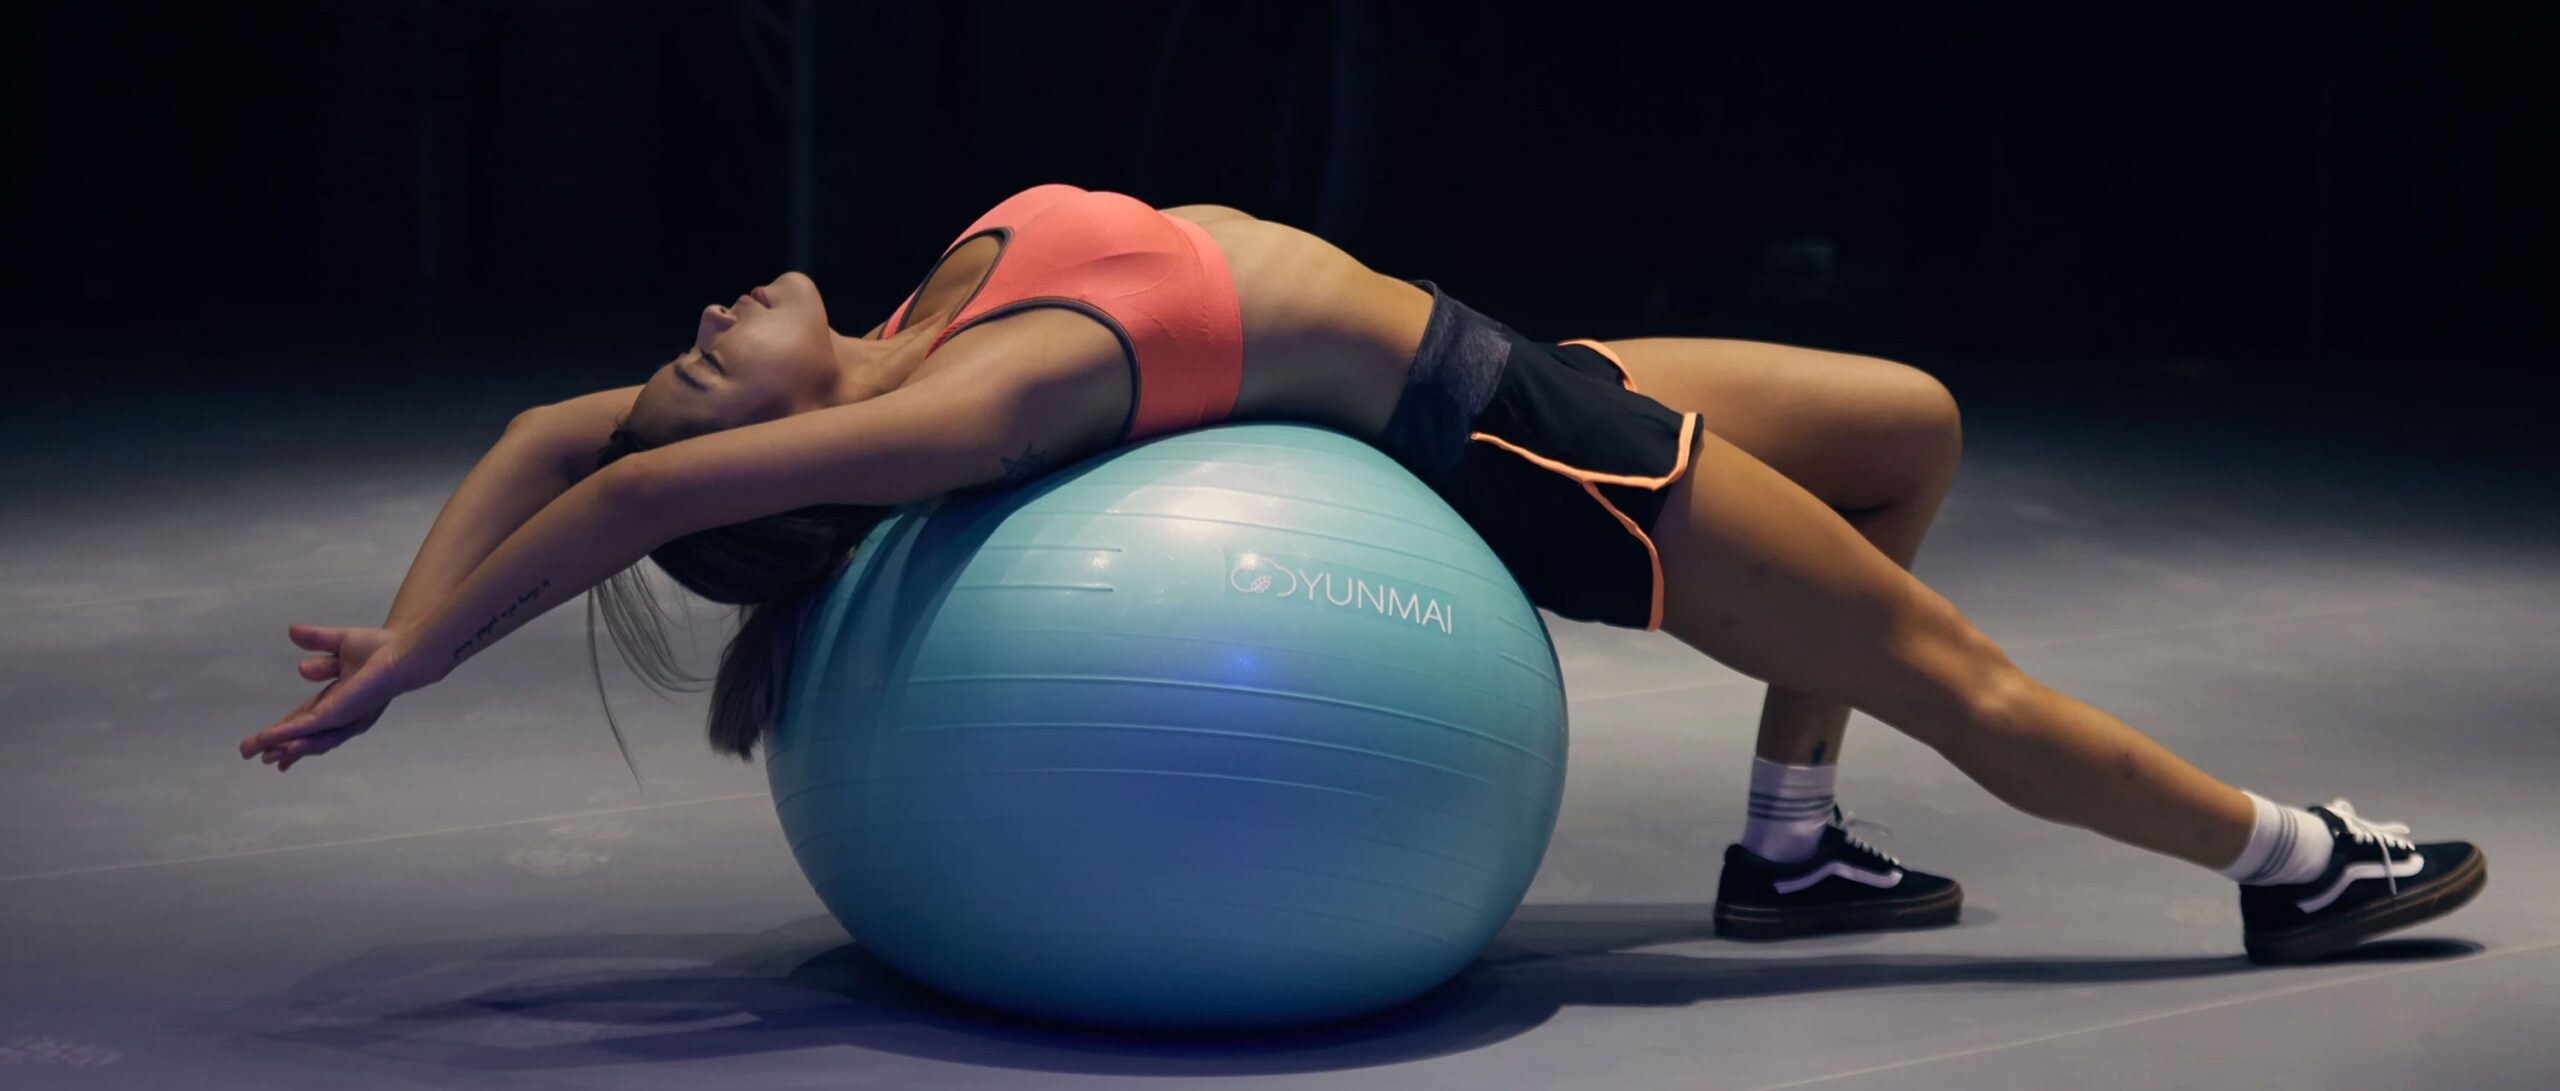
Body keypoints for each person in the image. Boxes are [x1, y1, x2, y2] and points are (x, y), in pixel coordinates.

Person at [239, 182, 2483, 964]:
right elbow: (618, 499)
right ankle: (2285, 861)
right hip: (1515, 447)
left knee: (1908, 422)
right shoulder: (953, 406)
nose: (702, 321)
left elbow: (552, 443)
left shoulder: (908, 328)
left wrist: (413, 602)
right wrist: (421, 671)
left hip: (1494, 359)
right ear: (770, 448)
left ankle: (1790, 854)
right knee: (1947, 668)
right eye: (698, 368)